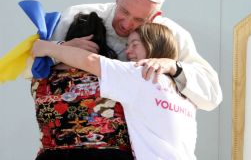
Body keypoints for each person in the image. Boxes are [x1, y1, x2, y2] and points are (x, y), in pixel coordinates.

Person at [50, 0, 222, 111]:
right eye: (124, 11)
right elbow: (29, 68)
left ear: (155, 17)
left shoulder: (172, 34)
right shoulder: (78, 15)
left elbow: (212, 97)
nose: (126, 24)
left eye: (139, 20)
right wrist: (61, 50)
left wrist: (173, 66)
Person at [32, 23, 198, 160]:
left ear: (154, 44)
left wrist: (50, 48)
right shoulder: (185, 94)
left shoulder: (139, 75)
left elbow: (89, 61)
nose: (127, 52)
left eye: (135, 44)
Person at [31, 12, 134, 160]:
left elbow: (32, 54)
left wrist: (61, 47)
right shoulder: (115, 73)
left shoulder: (40, 79)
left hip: (53, 155)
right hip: (109, 154)